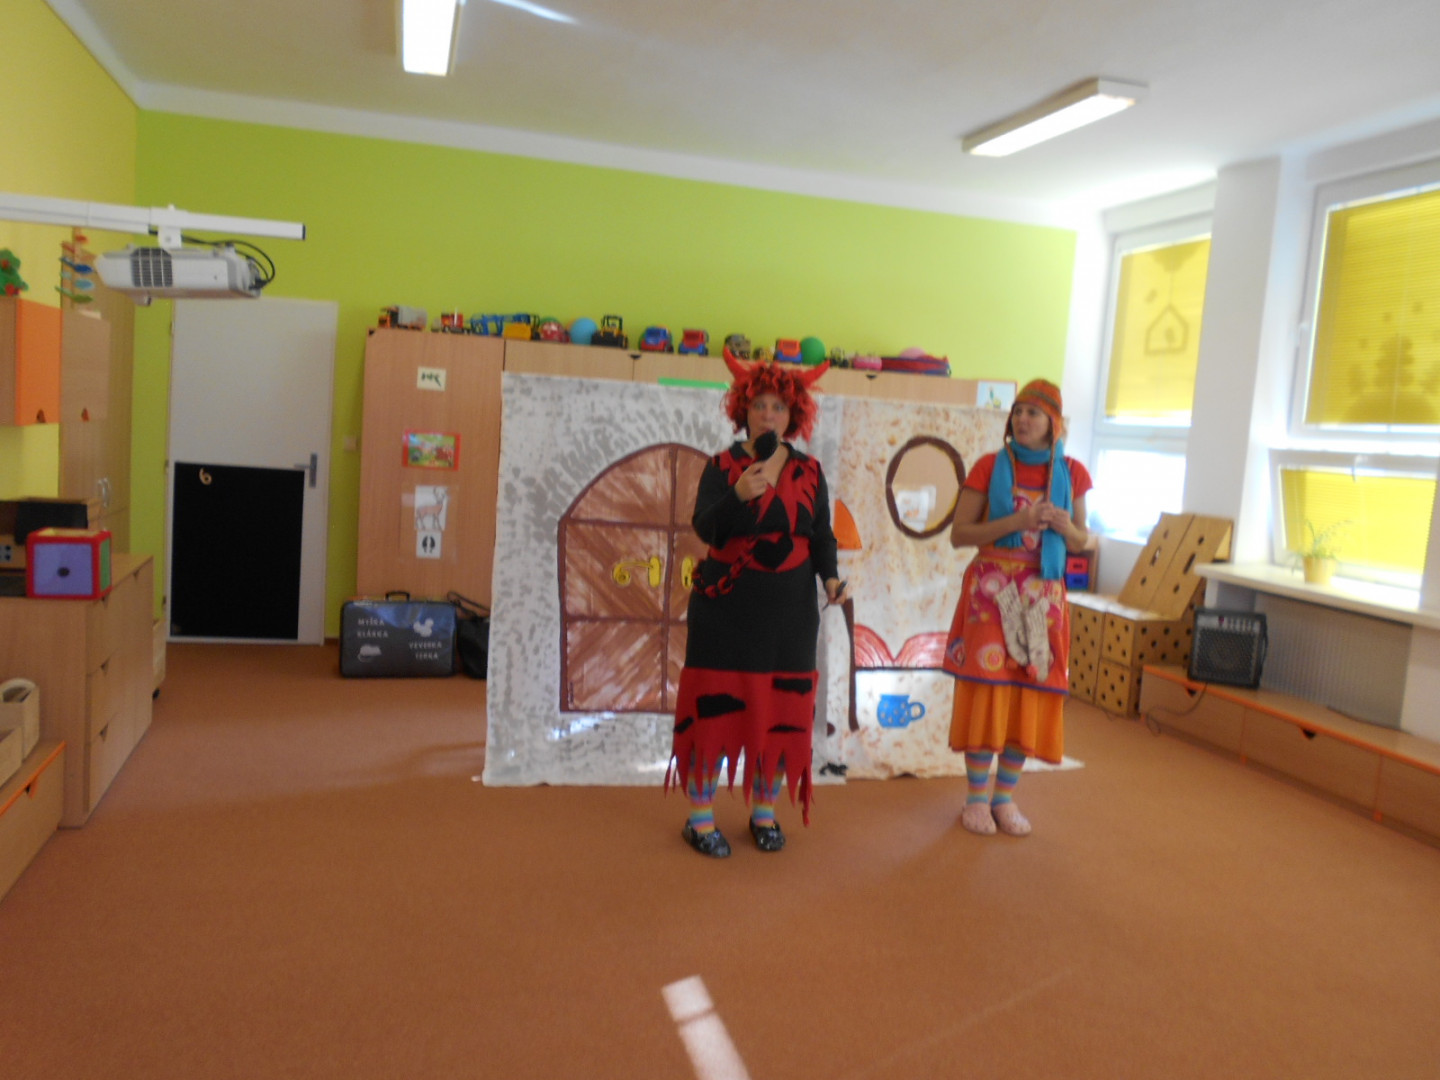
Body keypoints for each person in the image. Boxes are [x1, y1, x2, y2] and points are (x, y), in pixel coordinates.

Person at [666, 349, 850, 858]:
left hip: (790, 616)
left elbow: (822, 536)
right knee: (715, 712)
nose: (769, 415)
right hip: (726, 611)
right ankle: (700, 819)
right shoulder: (721, 467)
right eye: (760, 405)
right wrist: (737, 496)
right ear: (742, 410)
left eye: (779, 407)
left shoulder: (810, 471)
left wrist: (831, 579)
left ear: (794, 415)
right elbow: (706, 529)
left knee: (779, 712)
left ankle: (764, 812)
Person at [941, 379, 1091, 837]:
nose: (1022, 419)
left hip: (1042, 598)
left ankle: (1003, 799)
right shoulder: (988, 466)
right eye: (1018, 411)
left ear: (1054, 423)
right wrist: (1018, 521)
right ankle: (975, 799)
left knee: (1027, 692)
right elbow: (960, 534)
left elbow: (1082, 541)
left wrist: (1066, 527)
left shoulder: (1073, 473)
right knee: (987, 691)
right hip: (991, 596)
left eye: (1033, 413)